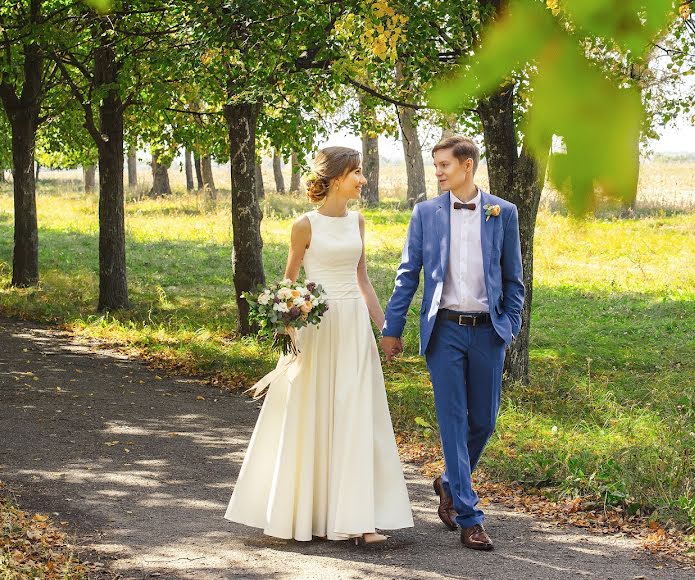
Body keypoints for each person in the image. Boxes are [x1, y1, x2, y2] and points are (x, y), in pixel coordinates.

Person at [225, 146, 414, 545]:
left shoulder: (358, 222)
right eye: (356, 172)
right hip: (317, 327)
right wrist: (287, 320)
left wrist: (387, 328)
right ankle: (305, 513)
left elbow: (363, 281)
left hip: (353, 329)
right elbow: (290, 281)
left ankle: (360, 519)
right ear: (334, 178)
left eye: (361, 172)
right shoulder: (304, 225)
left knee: (356, 414)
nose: (362, 179)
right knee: (311, 413)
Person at [381, 135, 525, 551]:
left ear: (467, 166)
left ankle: (447, 482)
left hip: (488, 331)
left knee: (484, 420)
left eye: (444, 164)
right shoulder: (426, 213)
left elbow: (514, 277)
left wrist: (509, 324)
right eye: (436, 165)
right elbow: (408, 273)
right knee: (453, 421)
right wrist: (393, 328)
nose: (438, 172)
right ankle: (469, 516)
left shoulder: (504, 212)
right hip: (443, 331)